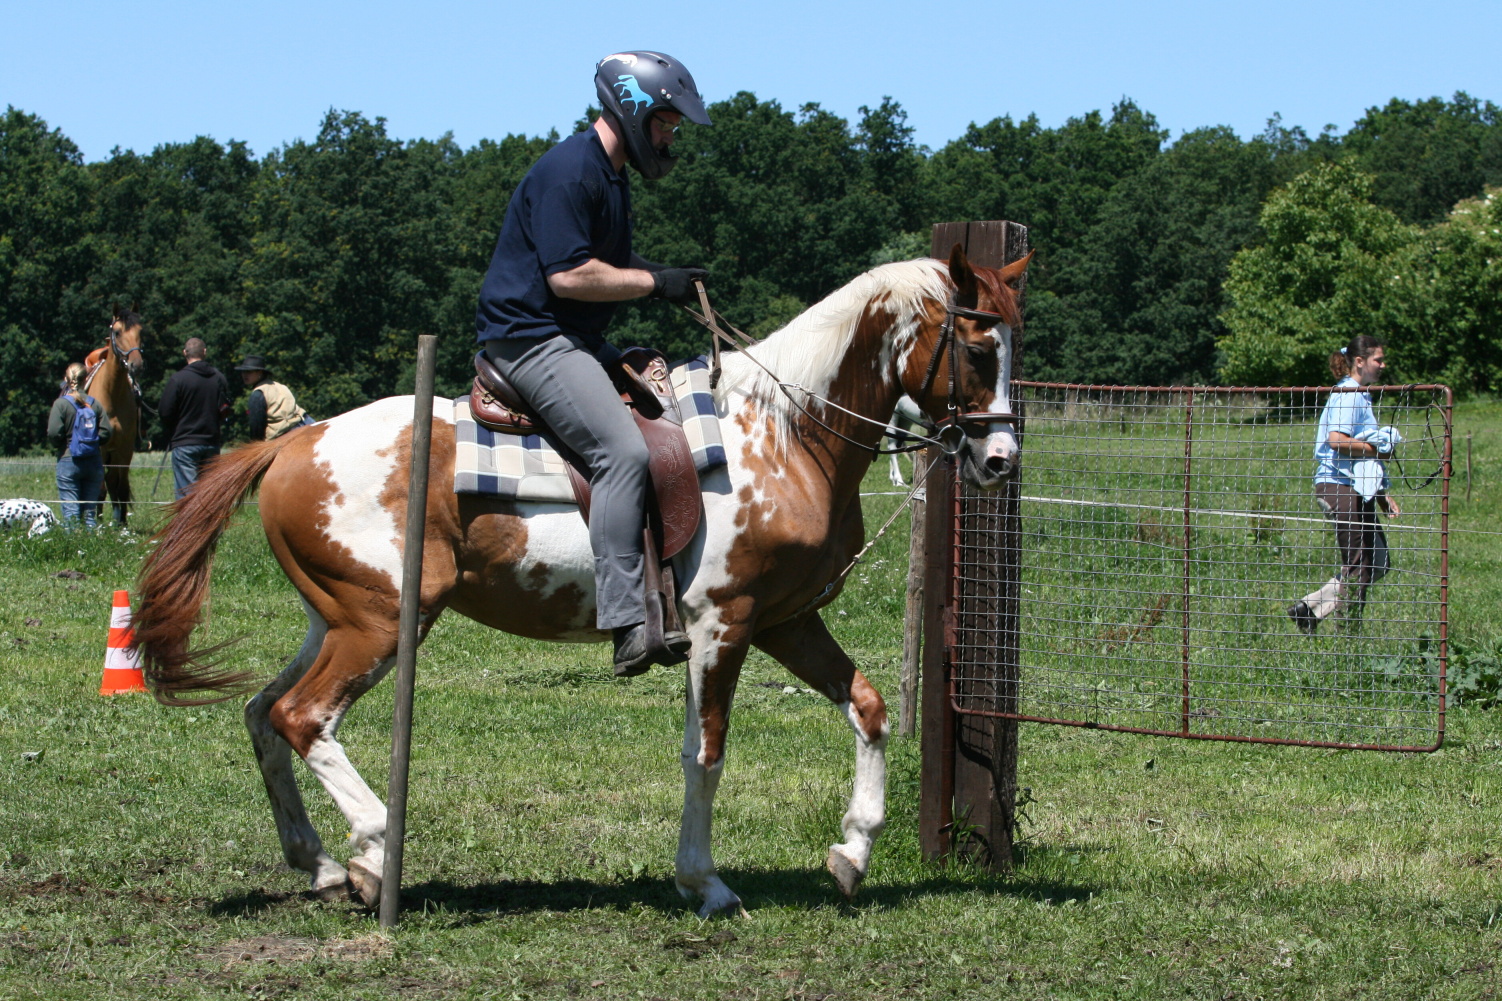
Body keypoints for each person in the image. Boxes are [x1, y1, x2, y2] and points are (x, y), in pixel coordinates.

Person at [475, 50, 713, 677]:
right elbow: (569, 275)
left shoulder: (610, 176)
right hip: (530, 339)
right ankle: (629, 618)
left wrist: (661, 282)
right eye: (666, 123)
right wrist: (654, 282)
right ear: (634, 110)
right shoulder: (571, 172)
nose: (669, 138)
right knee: (622, 453)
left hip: (571, 337)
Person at [1287, 336, 1401, 634]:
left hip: (1355, 488)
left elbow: (1359, 459)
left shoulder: (1360, 394)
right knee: (1359, 566)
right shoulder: (1349, 394)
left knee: (1378, 562)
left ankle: (1308, 609)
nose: (1383, 365)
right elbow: (1336, 441)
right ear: (1360, 362)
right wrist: (1378, 449)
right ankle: (1348, 637)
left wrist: (1381, 496)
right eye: (1378, 359)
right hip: (1338, 487)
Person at [158, 337, 230, 500]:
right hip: (211, 441)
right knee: (209, 492)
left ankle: (190, 526)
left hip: (185, 442)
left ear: (185, 353)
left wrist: (174, 428)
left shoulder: (178, 379)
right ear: (204, 352)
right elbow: (225, 408)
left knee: (188, 496)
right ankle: (211, 525)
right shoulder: (219, 378)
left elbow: (165, 412)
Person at [46, 362, 112, 526]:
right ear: (86, 379)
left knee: (71, 514)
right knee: (90, 513)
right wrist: (93, 444)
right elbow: (107, 432)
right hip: (93, 460)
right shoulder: (94, 404)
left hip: (69, 460)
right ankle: (90, 549)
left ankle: (73, 549)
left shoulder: (61, 404)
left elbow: (53, 433)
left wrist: (63, 445)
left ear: (66, 379)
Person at [235, 355, 309, 440]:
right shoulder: (280, 386)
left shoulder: (258, 394)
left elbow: (256, 429)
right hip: (305, 424)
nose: (245, 375)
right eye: (243, 372)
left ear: (260, 373)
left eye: (249, 372)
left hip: (287, 433)